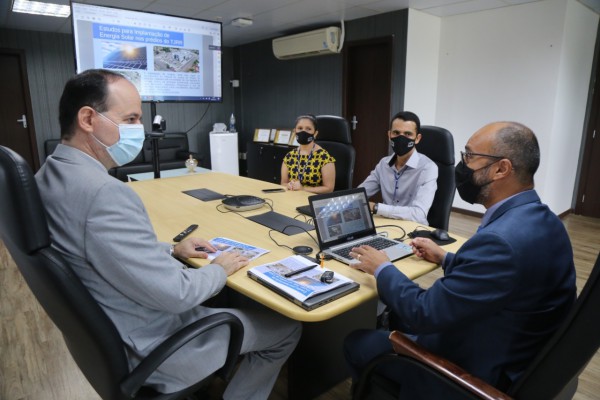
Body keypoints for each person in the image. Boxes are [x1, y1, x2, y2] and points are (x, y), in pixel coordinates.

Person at [35, 69, 301, 399]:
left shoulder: (49, 174)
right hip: (155, 346)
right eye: (130, 118)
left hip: (111, 330)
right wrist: (221, 268)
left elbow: (100, 249)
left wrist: (172, 251)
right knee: (287, 328)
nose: (140, 130)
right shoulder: (104, 194)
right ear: (88, 119)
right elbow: (177, 294)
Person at [344, 121, 576, 398]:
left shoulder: (500, 241)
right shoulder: (545, 220)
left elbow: (423, 313)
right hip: (516, 349)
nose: (462, 165)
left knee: (357, 341)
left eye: (469, 156)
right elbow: (500, 278)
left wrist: (381, 267)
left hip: (474, 372)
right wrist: (445, 258)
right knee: (395, 317)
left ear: (502, 168)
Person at [358, 111, 437, 225]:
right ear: (389, 135)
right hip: (384, 225)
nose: (401, 138)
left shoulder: (428, 168)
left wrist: (375, 207)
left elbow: (418, 214)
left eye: (408, 134)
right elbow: (360, 193)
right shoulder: (383, 164)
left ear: (417, 138)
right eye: (396, 133)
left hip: (413, 230)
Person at [281, 114, 336, 193]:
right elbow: (283, 183)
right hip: (292, 199)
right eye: (300, 128)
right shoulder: (289, 156)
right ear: (294, 131)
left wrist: (303, 189)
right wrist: (288, 185)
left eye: (308, 129)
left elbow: (329, 189)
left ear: (315, 133)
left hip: (313, 202)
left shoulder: (324, 157)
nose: (303, 132)